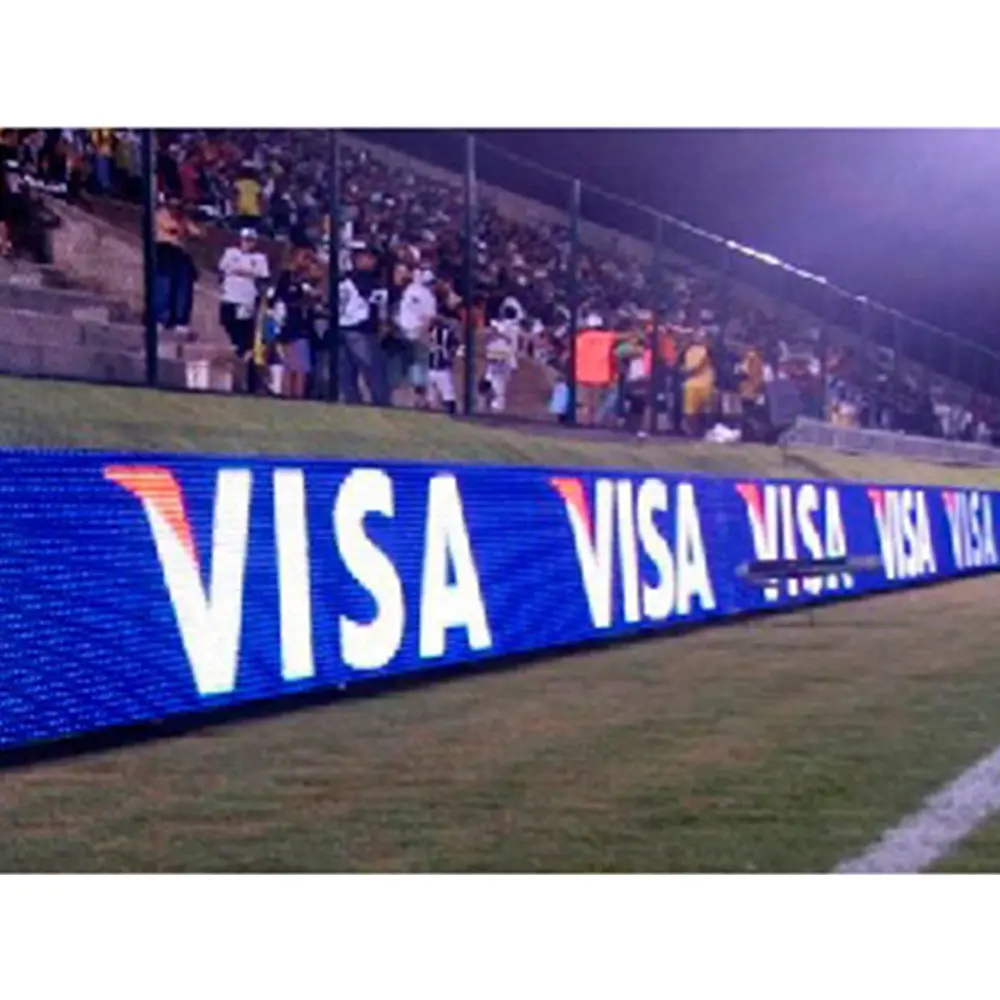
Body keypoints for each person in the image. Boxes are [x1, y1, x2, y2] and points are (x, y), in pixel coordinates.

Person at [218, 228, 271, 391]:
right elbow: (224, 267)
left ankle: (245, 356)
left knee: (244, 329)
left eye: (251, 240)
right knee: (226, 320)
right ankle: (241, 348)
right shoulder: (230, 252)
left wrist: (243, 271)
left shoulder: (259, 258)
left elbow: (262, 274)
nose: (247, 243)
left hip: (246, 300)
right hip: (229, 296)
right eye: (245, 240)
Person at [338, 244, 391, 406]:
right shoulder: (363, 280)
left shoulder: (350, 279)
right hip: (357, 329)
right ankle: (377, 402)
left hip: (351, 328)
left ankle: (358, 402)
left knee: (353, 372)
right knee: (370, 370)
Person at [272, 248, 320, 399]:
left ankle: (293, 396)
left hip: (299, 325)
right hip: (291, 325)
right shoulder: (289, 278)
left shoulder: (308, 281)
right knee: (297, 366)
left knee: (296, 365)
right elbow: (281, 298)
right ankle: (293, 396)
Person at [155, 196, 201, 339]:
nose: (176, 210)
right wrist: (182, 229)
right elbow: (170, 227)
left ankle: (180, 320)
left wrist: (185, 226)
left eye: (178, 207)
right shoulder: (161, 214)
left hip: (180, 252)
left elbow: (197, 233)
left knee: (182, 286)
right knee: (164, 284)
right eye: (173, 206)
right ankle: (161, 319)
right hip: (164, 249)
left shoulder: (183, 218)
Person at [395, 266, 438, 408]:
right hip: (417, 332)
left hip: (401, 332)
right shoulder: (428, 296)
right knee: (421, 365)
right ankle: (421, 399)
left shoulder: (408, 290)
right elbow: (428, 319)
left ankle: (410, 397)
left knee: (409, 366)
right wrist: (424, 335)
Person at [681, 326, 717, 437]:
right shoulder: (688, 350)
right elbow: (681, 363)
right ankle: (692, 433)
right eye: (697, 335)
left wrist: (687, 371)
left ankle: (704, 432)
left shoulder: (707, 350)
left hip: (705, 383)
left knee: (706, 410)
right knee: (690, 412)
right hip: (691, 384)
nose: (699, 337)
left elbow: (698, 366)